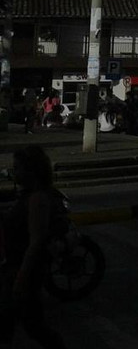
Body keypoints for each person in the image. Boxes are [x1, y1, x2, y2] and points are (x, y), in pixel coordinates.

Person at [0, 145, 68, 348]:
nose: (14, 172)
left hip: (23, 269)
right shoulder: (27, 195)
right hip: (14, 267)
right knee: (11, 321)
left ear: (32, 171)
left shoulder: (37, 198)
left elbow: (36, 240)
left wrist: (21, 277)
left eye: (18, 168)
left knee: (32, 324)